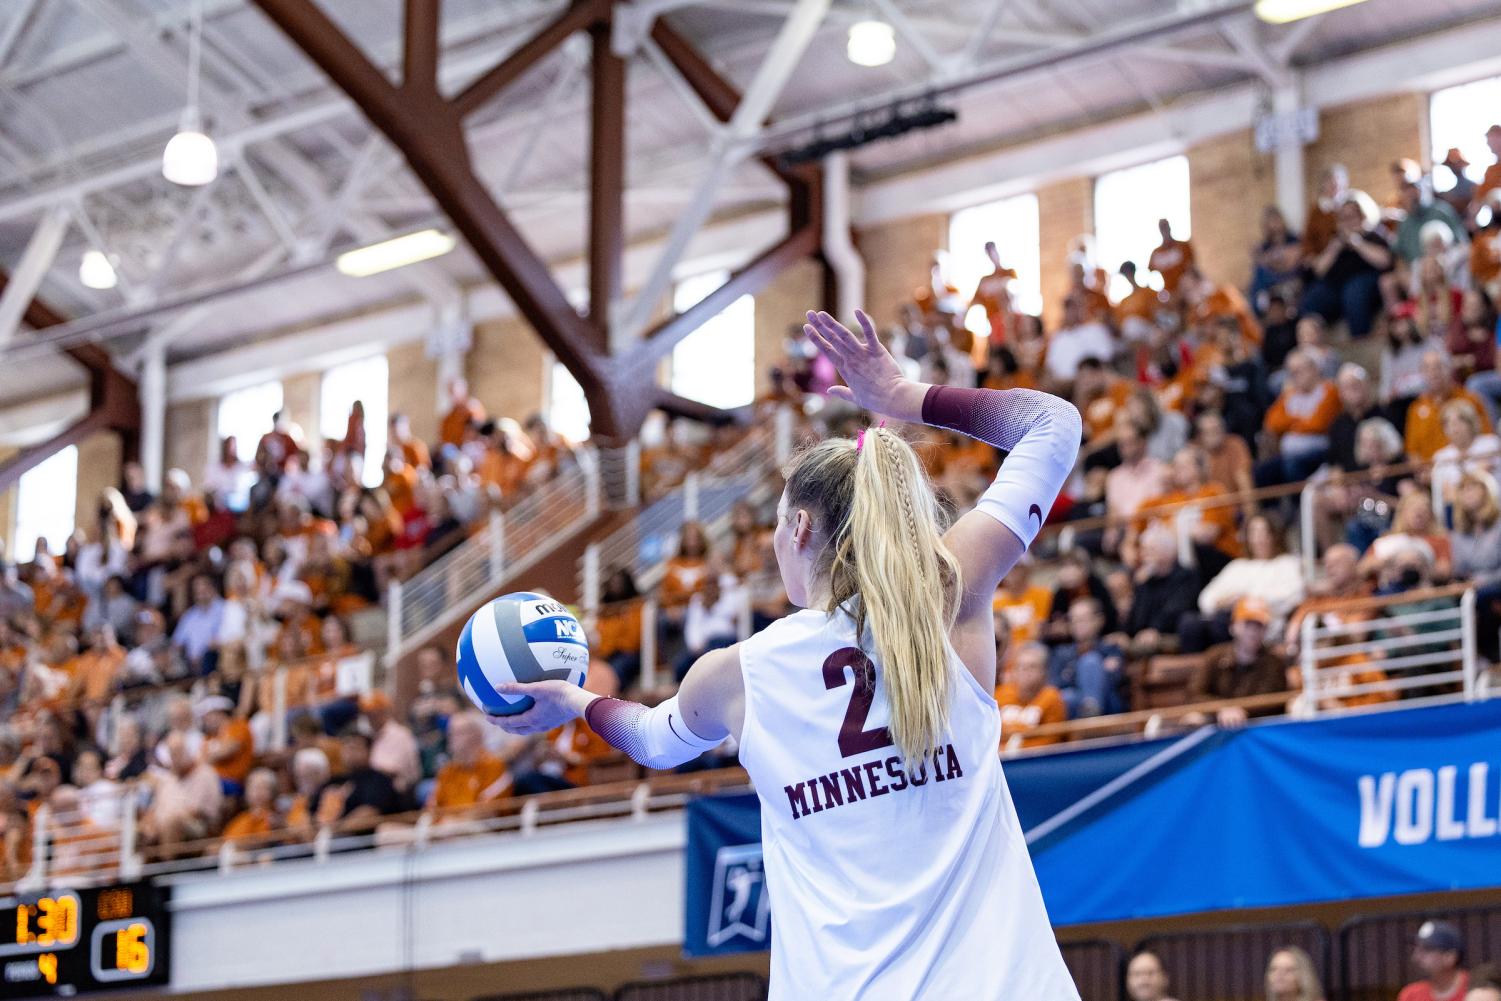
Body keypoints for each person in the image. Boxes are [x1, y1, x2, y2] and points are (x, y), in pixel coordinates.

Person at [490, 308, 1083, 1000]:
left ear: (799, 526)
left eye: (775, 522)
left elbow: (651, 739)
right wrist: (901, 396)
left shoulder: (738, 673)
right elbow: (1053, 425)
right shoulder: (947, 590)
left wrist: (572, 699)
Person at [1302, 192, 1392, 339]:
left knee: (1353, 291)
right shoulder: (1336, 241)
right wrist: (1335, 247)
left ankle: (1360, 339)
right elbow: (1319, 271)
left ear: (1362, 215)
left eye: (1351, 217)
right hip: (1337, 286)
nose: (1347, 222)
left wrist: (1357, 243)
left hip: (1365, 284)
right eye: (1343, 218)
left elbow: (1385, 260)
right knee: (1314, 296)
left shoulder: (1374, 235)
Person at [1190, 597, 1290, 728]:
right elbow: (1195, 694)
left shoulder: (1274, 663)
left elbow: (1269, 703)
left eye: (1259, 625)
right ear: (1233, 626)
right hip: (1218, 725)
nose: (1253, 631)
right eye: (1248, 623)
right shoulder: (1214, 656)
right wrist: (1222, 709)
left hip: (1257, 728)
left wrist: (1235, 711)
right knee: (1193, 718)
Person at [1406, 350, 1494, 463]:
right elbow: (1412, 451)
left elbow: (1486, 436)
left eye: (1438, 367)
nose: (1433, 373)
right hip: (1433, 472)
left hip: (1472, 467)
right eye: (1427, 369)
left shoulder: (1470, 399)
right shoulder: (1416, 408)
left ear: (1449, 369)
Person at [1048, 598, 1125, 718]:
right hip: (1074, 704)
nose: (1079, 625)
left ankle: (1092, 709)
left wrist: (1072, 673)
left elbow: (1114, 679)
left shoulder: (1110, 648)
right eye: (1074, 620)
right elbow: (1054, 685)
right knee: (1067, 697)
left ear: (1099, 620)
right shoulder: (1061, 653)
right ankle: (1089, 710)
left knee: (1090, 660)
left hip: (1106, 704)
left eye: (1083, 620)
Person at [993, 642, 1067, 750]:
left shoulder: (1052, 698)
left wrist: (1014, 749)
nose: (1025, 672)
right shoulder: (1000, 694)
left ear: (1043, 672)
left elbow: (1050, 741)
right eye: (1020, 667)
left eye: (1032, 667)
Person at [1399, 921, 1469, 1001]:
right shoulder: (1411, 995)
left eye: (1427, 949)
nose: (1416, 957)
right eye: (1416, 949)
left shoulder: (1476, 990)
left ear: (1450, 957)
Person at [1149, 218, 1195, 297]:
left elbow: (1193, 265)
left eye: (1166, 226)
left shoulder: (1183, 246)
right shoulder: (1156, 253)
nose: (1165, 230)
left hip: (1189, 288)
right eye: (1162, 227)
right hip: (1170, 293)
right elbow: (1150, 273)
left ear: (1169, 227)